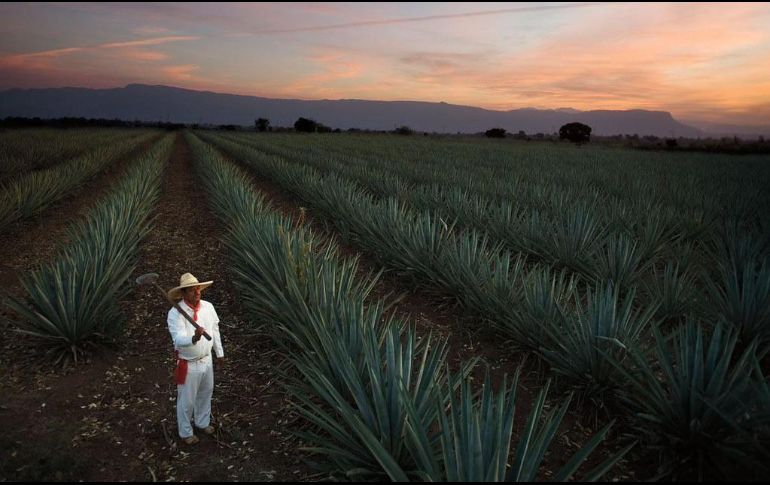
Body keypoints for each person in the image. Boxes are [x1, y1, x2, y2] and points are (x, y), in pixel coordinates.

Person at [166, 272, 224, 445]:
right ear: (183, 293)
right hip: (189, 364)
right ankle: (185, 432)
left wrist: (219, 353)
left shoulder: (208, 307)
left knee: (206, 392)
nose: (197, 292)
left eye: (198, 289)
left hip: (207, 359)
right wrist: (194, 338)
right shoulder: (175, 313)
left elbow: (215, 330)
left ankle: (202, 422)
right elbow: (178, 339)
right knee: (187, 400)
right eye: (192, 290)